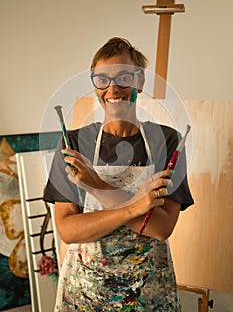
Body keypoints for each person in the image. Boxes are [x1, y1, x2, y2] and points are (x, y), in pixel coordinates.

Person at [43, 37, 194, 311]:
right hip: (86, 294)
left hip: (147, 294)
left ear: (140, 82)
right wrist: (137, 207)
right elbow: (69, 230)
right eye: (102, 79)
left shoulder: (166, 141)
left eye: (124, 77)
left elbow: (160, 228)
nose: (113, 88)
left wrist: (97, 186)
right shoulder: (74, 144)